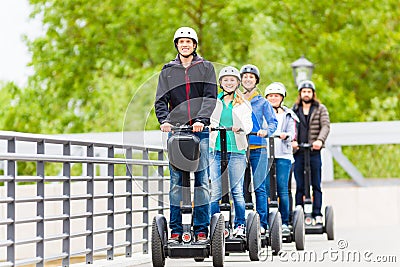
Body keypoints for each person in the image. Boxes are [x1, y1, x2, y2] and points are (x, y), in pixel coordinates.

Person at [154, 27, 217, 244]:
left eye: (188, 42)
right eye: (181, 42)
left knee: (201, 182)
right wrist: (164, 121)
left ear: (194, 45)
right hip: (176, 131)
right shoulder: (168, 70)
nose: (185, 45)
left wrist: (201, 120)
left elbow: (210, 98)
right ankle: (175, 230)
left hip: (200, 132)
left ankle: (201, 230)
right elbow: (160, 99)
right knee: (176, 183)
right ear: (177, 45)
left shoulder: (206, 67)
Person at [209, 66, 253, 236]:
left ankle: (239, 225)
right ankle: (214, 225)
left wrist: (239, 127)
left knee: (236, 191)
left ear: (237, 83)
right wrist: (210, 127)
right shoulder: (214, 101)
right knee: (215, 191)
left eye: (232, 80)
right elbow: (207, 119)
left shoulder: (243, 104)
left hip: (236, 151)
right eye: (225, 80)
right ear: (221, 83)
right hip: (216, 150)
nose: (229, 83)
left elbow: (249, 125)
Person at [240, 64, 277, 233]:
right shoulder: (235, 100)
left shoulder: (263, 102)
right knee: (240, 186)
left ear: (256, 81)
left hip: (258, 147)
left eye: (251, 77)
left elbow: (272, 122)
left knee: (259, 186)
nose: (248, 79)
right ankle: (242, 222)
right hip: (239, 148)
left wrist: (266, 131)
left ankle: (262, 223)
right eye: (245, 76)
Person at [292, 80, 330, 224]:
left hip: (314, 152)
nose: (306, 94)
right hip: (299, 151)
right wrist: (293, 141)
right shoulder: (294, 109)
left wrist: (319, 141)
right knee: (300, 185)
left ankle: (317, 213)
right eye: (304, 91)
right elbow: (291, 127)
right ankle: (299, 214)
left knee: (316, 184)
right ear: (300, 94)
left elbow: (325, 126)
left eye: (309, 92)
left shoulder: (320, 108)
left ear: (313, 94)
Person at [264, 82, 299, 235]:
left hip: (283, 154)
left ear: (282, 98)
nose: (273, 98)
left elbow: (292, 132)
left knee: (282, 188)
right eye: (270, 96)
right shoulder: (262, 113)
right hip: (265, 154)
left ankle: (285, 222)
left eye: (276, 96)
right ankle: (264, 223)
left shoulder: (288, 114)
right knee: (265, 189)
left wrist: (287, 135)